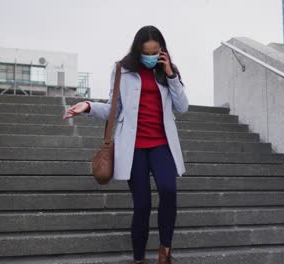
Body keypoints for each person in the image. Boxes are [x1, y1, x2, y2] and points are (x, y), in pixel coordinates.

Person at [63, 25, 189, 264]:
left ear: (162, 50)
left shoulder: (168, 71)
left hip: (162, 143)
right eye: (146, 52)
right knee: (142, 204)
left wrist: (171, 74)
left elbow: (182, 107)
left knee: (169, 190)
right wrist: (88, 106)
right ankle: (139, 259)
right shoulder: (122, 70)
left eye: (155, 52)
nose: (151, 57)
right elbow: (115, 107)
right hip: (134, 147)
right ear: (138, 49)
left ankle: (165, 253)